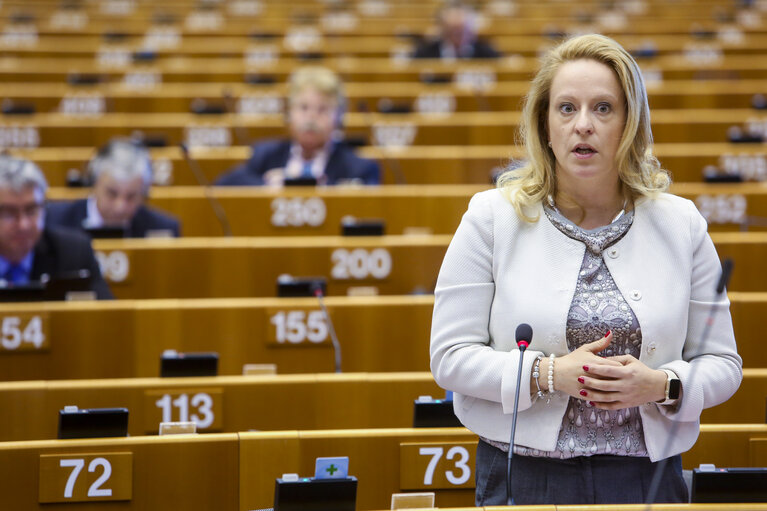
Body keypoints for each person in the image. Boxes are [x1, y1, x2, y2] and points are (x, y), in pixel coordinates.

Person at [430, 34, 742, 505]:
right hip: (525, 474)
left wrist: (662, 384)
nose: (583, 126)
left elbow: (723, 364)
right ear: (545, 124)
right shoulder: (491, 217)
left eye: (602, 108)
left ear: (629, 124)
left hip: (646, 477)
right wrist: (548, 373)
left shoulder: (681, 224)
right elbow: (449, 357)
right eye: (566, 108)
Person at [215, 66, 380, 186]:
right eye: (303, 107)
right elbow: (223, 184)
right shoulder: (265, 155)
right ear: (289, 113)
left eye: (322, 109)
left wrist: (320, 189)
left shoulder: (359, 168)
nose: (311, 117)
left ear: (339, 117)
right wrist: (266, 186)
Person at [0, 154, 112, 299]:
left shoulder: (74, 253)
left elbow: (103, 317)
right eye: (9, 213)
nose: (23, 224)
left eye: (31, 210)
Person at [46, 139, 180, 238]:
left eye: (131, 197)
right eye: (111, 193)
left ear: (143, 195)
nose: (120, 207)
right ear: (94, 184)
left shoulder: (163, 229)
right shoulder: (55, 222)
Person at [413, 1, 500, 60]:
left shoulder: (486, 52)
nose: (458, 36)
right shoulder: (425, 53)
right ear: (442, 29)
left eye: (462, 30)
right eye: (452, 30)